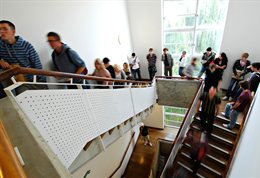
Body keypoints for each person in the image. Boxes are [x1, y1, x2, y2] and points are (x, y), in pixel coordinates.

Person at [0, 20, 47, 95]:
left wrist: (43, 85)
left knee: (22, 94)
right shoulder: (1, 45)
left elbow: (37, 66)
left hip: (28, 80)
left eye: (5, 29)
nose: (2, 31)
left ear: (13, 31)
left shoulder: (26, 46)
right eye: (0, 29)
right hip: (13, 78)